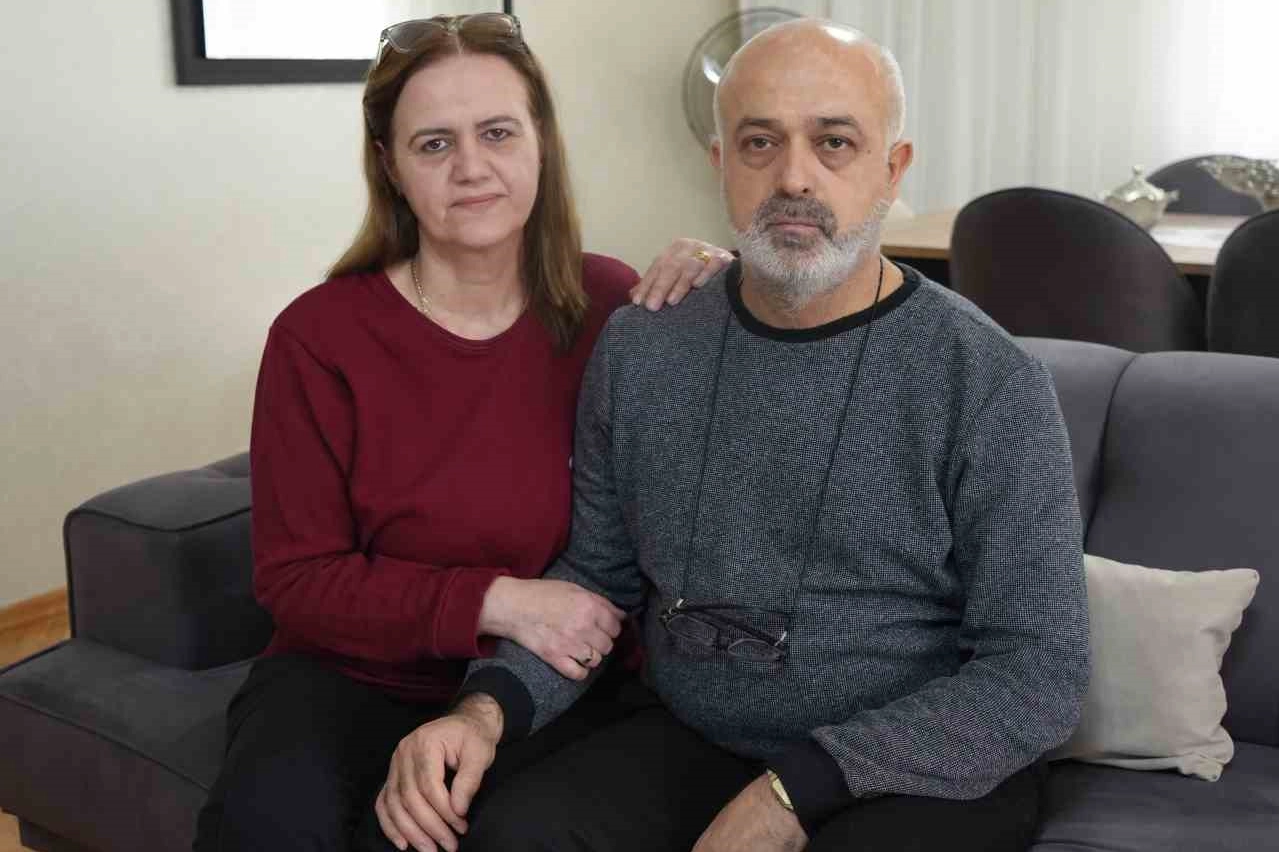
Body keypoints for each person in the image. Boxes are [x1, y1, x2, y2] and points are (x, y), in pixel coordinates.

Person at [388, 18, 1090, 852]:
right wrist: (484, 711)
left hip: (911, 764)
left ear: (892, 168)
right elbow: (597, 580)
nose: (792, 176)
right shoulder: (644, 344)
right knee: (511, 834)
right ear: (720, 163)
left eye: (834, 143)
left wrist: (793, 794)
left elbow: (1037, 671)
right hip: (695, 736)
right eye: (759, 142)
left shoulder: (986, 380)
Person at [191, 13, 736, 852]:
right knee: (267, 828)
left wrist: (727, 286)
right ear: (390, 166)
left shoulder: (610, 305)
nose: (471, 167)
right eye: (434, 144)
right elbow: (297, 579)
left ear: (541, 141)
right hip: (344, 675)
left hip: (541, 685)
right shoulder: (318, 336)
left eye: (497, 132)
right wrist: (498, 600)